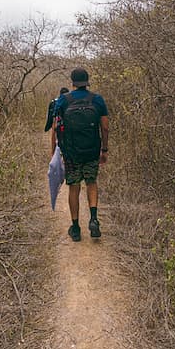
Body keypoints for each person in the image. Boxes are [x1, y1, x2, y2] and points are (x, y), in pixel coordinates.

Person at [52, 68, 109, 241]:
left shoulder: (63, 100)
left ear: (73, 82)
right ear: (87, 81)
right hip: (92, 150)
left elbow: (55, 128)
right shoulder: (97, 100)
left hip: (72, 153)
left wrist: (56, 152)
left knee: (74, 187)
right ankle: (93, 219)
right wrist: (104, 150)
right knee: (91, 182)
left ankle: (75, 228)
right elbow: (105, 127)